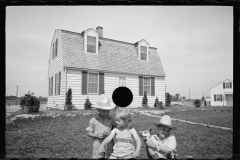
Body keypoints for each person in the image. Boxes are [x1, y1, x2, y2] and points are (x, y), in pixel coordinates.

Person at [86, 94, 116, 159]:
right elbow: (88, 133)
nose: (107, 113)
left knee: (110, 156)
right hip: (98, 144)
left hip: (109, 143)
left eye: (108, 110)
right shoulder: (93, 120)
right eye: (104, 111)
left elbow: (115, 130)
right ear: (98, 110)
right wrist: (97, 134)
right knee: (98, 156)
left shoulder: (112, 119)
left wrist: (111, 133)